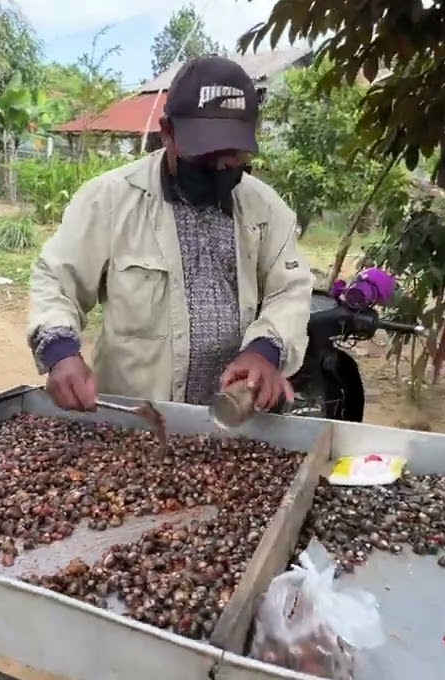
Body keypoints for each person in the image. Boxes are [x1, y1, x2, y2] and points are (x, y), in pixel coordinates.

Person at [26, 56, 312, 413]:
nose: (221, 168)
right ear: (168, 133)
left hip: (236, 420)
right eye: (206, 155)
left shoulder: (268, 211)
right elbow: (56, 280)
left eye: (232, 156)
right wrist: (60, 352)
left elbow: (289, 291)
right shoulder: (111, 200)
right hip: (136, 423)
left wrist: (264, 351)